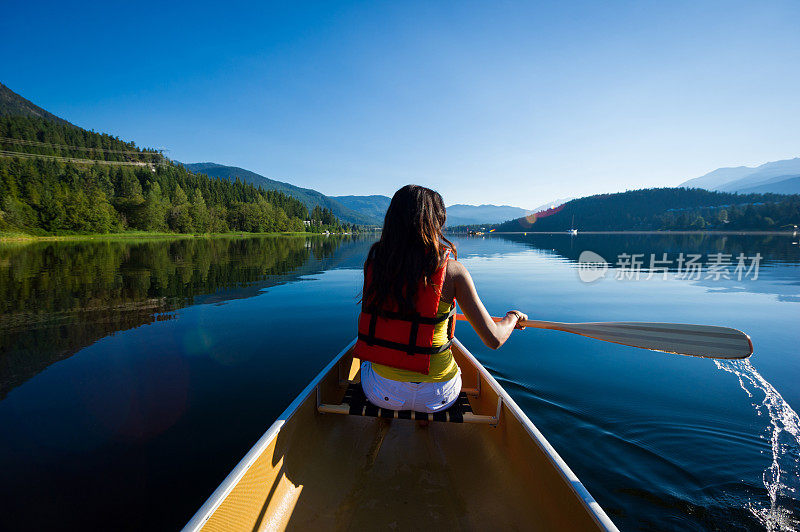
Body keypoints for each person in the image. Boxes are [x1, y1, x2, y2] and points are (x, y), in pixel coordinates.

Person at [354, 185, 527, 415]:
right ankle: (425, 418)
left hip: (382, 393)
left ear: (392, 222)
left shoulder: (375, 266)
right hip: (437, 396)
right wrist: (512, 317)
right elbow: (494, 339)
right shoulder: (453, 272)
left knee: (362, 365)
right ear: (435, 223)